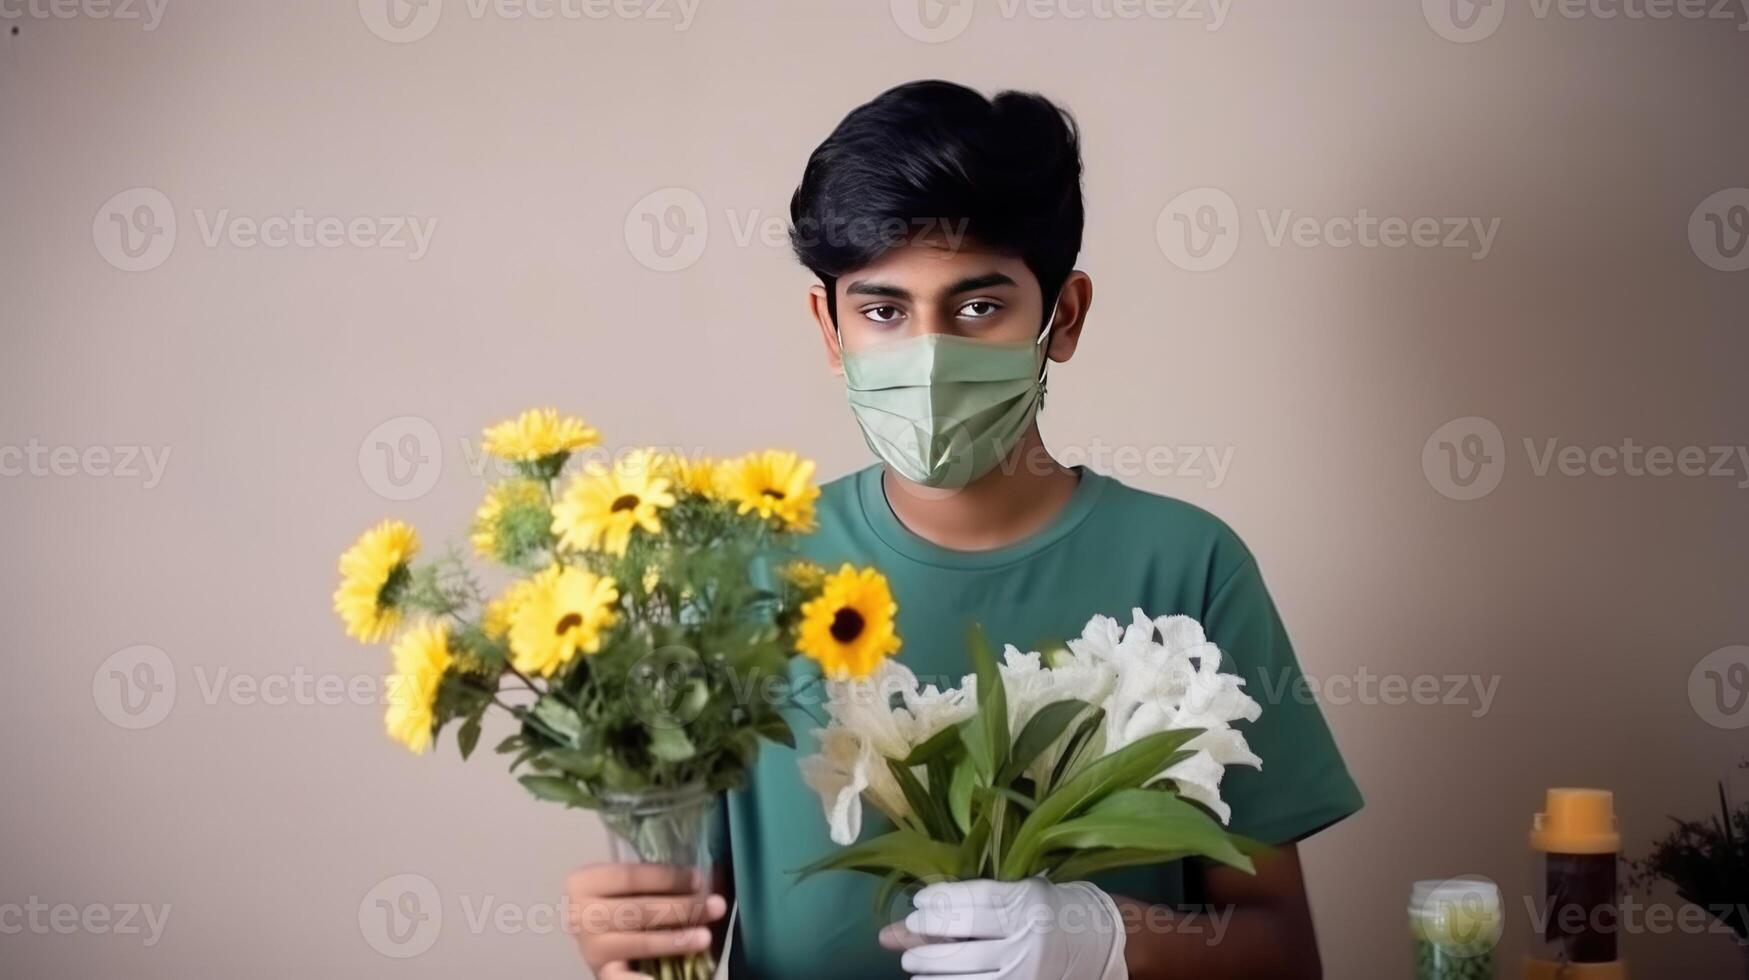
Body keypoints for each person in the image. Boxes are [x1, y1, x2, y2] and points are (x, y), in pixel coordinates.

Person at [568, 79, 1363, 980]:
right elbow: (682, 928)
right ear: (829, 328)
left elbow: (1282, 952)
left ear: (1060, 317)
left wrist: (1110, 942)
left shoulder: (1187, 566)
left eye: (978, 308)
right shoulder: (743, 575)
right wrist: (625, 941)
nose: (930, 354)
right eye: (883, 311)